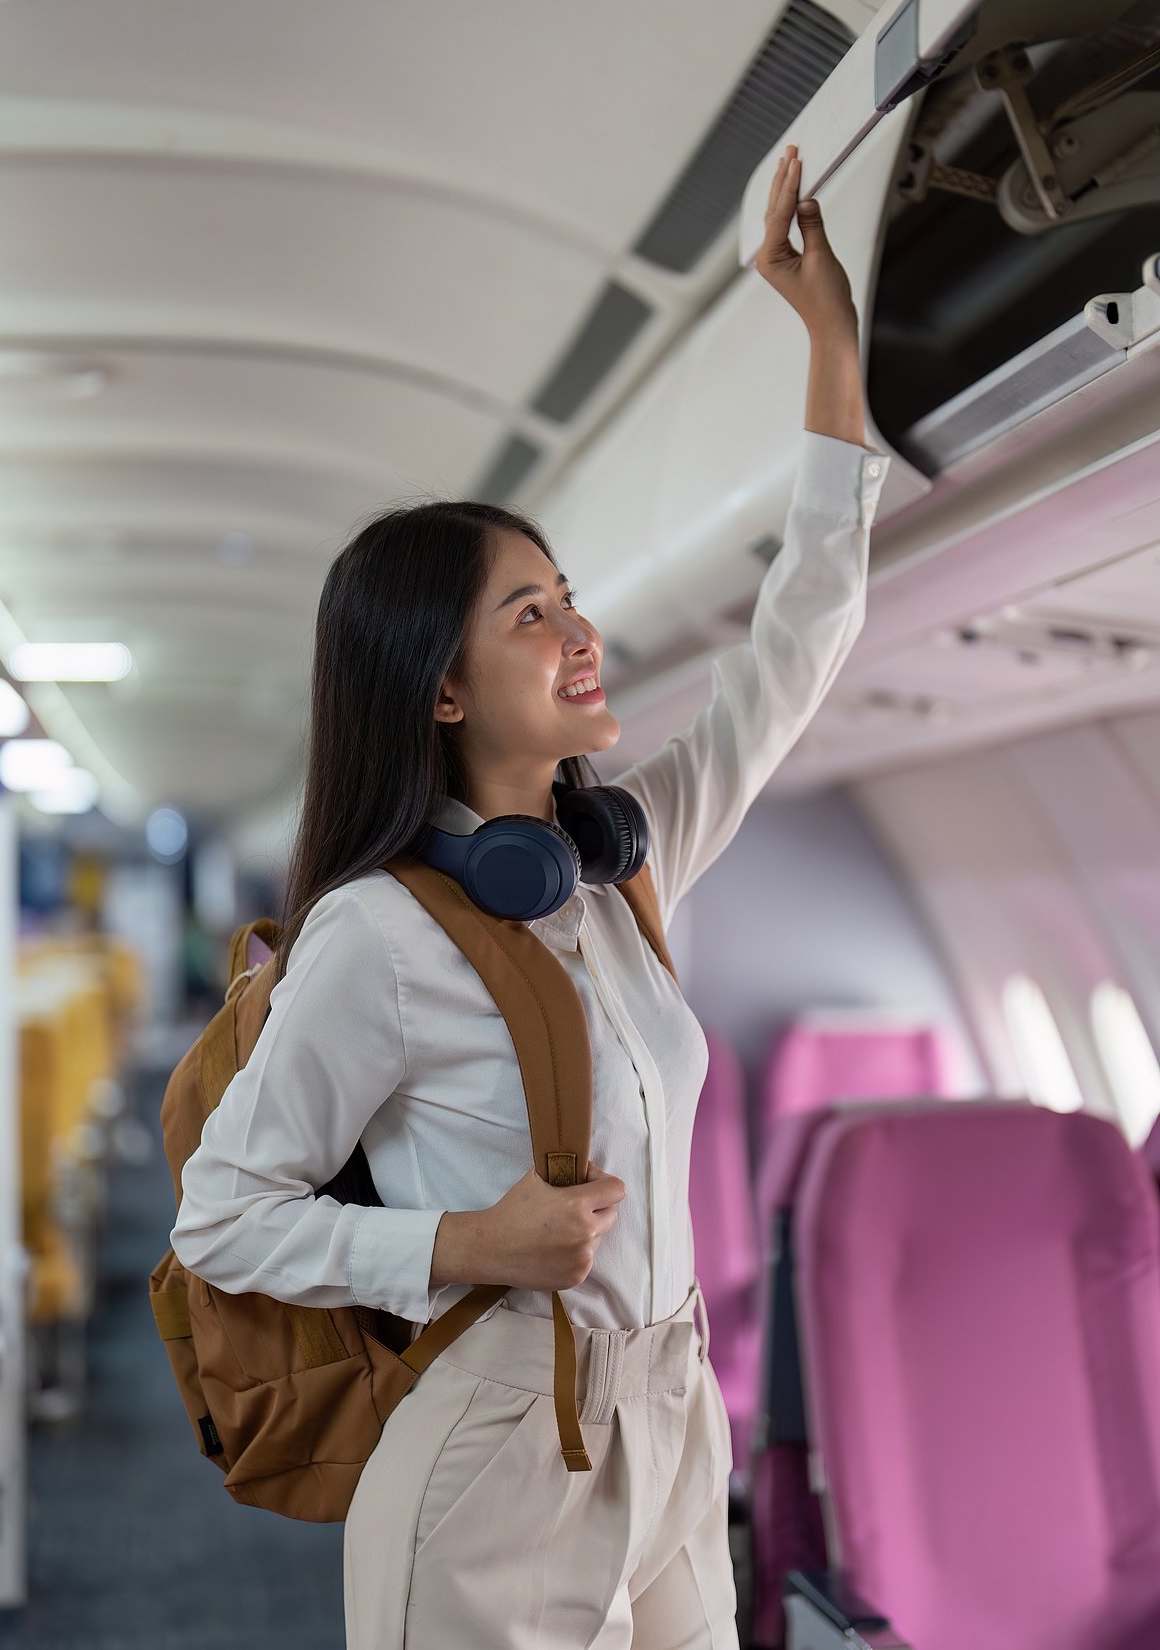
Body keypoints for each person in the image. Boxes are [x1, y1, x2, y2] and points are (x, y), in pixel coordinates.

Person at [169, 145, 890, 1648]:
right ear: (439, 688)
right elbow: (222, 1222)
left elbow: (799, 643)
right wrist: (462, 1246)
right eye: (532, 610)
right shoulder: (379, 933)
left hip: (676, 1415)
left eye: (569, 595)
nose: (582, 627)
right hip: (503, 1440)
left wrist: (829, 350)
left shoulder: (624, 868)